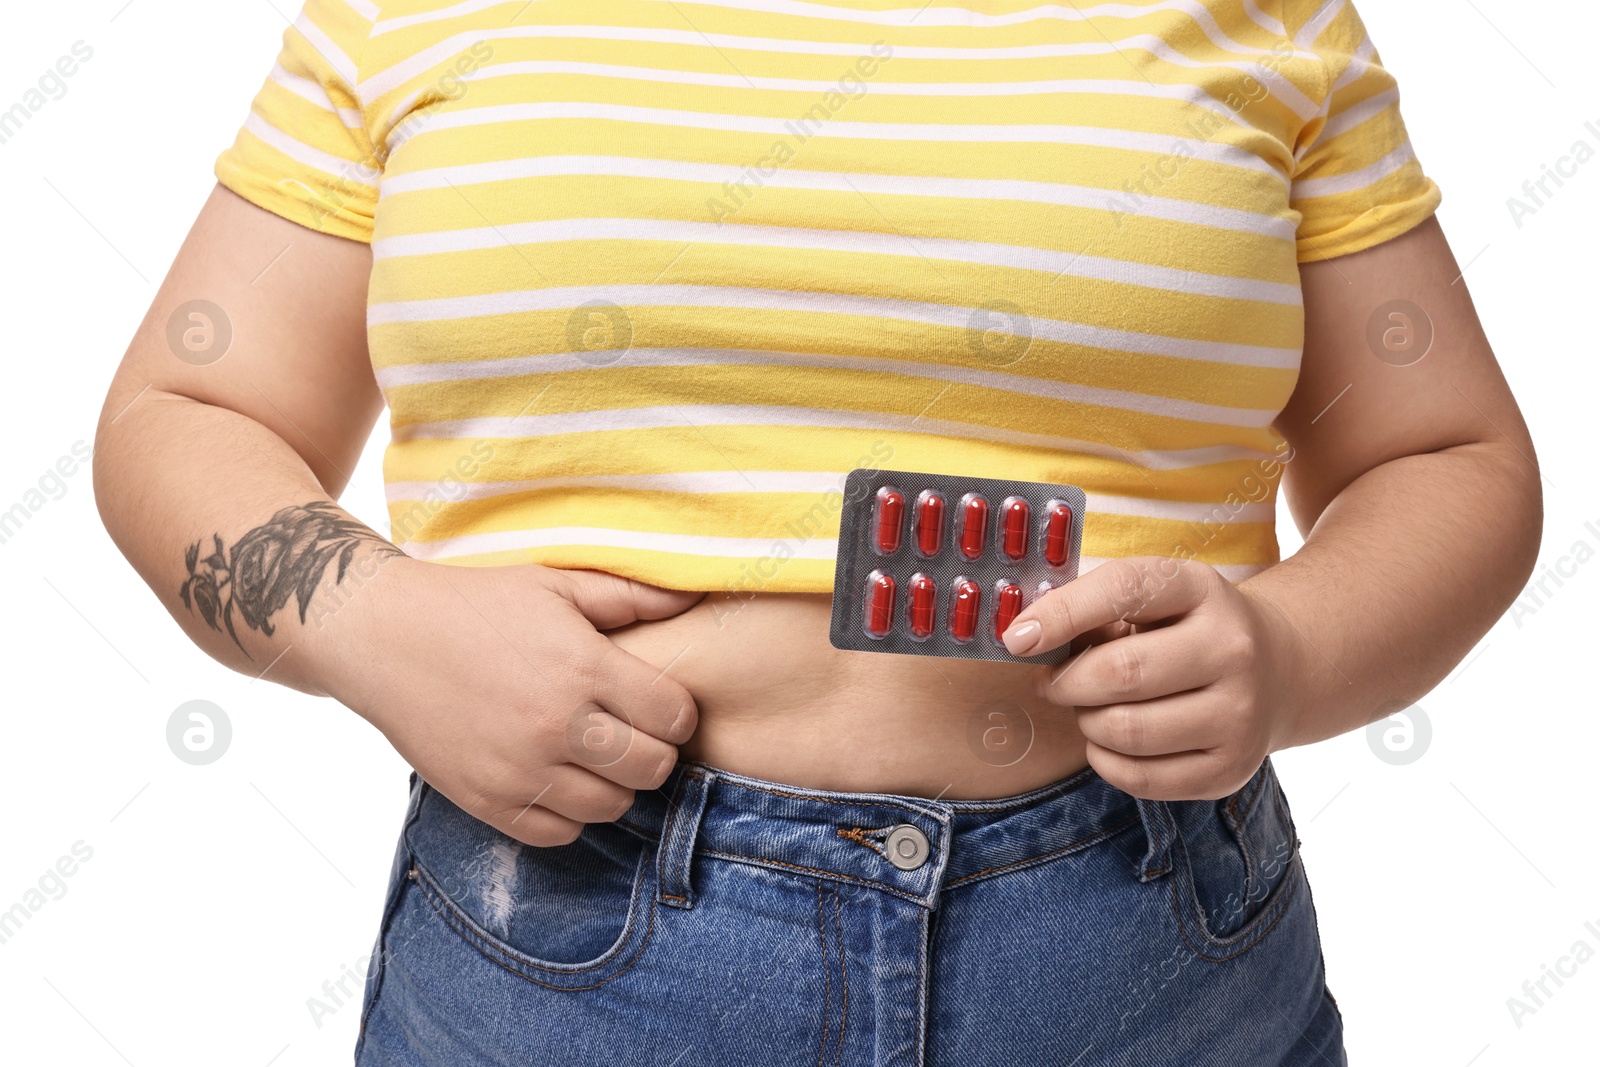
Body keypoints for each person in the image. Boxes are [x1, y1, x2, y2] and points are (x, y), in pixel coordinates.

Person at [93, 1, 1539, 1063]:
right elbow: (184, 411)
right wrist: (371, 623)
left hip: (1140, 941)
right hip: (566, 933)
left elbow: (1450, 456)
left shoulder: (1266, 17)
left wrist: (1286, 651)